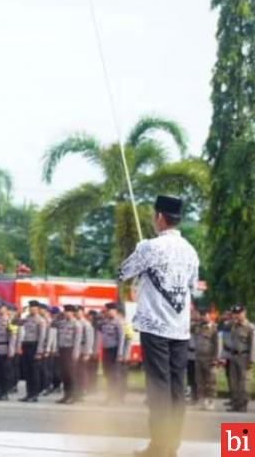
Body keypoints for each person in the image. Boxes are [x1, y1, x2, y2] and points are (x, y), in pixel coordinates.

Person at [118, 195, 199, 457]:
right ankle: (171, 445)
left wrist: (140, 250)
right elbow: (192, 288)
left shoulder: (150, 247)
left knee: (159, 388)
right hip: (180, 327)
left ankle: (159, 446)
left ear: (160, 217)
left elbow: (123, 272)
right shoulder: (190, 250)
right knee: (177, 387)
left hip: (155, 326)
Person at [225, 304, 255, 413]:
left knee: (244, 382)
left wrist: (251, 360)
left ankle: (243, 404)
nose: (236, 316)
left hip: (244, 356)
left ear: (244, 313)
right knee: (234, 381)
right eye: (235, 313)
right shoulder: (233, 326)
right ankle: (235, 403)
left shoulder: (249, 327)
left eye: (238, 313)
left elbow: (253, 344)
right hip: (233, 356)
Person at [18, 300, 47, 402]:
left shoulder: (41, 320)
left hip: (35, 346)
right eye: (30, 307)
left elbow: (42, 337)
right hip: (26, 345)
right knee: (27, 371)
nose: (31, 309)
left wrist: (39, 351)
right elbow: (14, 323)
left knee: (35, 372)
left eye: (33, 307)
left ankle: (34, 394)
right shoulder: (26, 318)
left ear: (38, 309)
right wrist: (19, 313)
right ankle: (28, 393)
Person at [55, 304, 83, 404]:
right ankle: (66, 395)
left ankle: (74, 396)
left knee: (71, 375)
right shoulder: (62, 323)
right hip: (62, 349)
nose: (65, 313)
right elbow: (53, 327)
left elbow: (77, 340)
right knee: (64, 374)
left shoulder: (77, 324)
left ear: (72, 313)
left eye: (68, 311)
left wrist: (75, 353)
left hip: (71, 350)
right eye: (65, 311)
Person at [100, 302, 125, 405]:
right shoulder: (105, 322)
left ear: (114, 311)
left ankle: (117, 397)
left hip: (114, 350)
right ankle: (110, 396)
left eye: (109, 310)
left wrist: (120, 354)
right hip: (106, 350)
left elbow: (121, 339)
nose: (107, 312)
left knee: (115, 375)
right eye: (106, 310)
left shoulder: (118, 322)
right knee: (107, 374)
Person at [193, 308, 218, 411]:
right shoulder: (197, 327)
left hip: (209, 358)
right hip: (199, 357)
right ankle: (202, 400)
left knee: (210, 381)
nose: (203, 317)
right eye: (201, 315)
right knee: (200, 380)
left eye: (205, 315)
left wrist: (215, 358)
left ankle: (211, 401)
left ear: (209, 315)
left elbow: (217, 345)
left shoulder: (214, 328)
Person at [73, 306, 94, 403]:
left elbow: (89, 340)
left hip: (82, 350)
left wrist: (87, 353)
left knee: (81, 373)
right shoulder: (74, 323)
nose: (76, 313)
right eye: (75, 312)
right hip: (75, 350)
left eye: (78, 312)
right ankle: (76, 393)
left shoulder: (86, 324)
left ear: (82, 312)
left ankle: (81, 394)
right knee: (75, 373)